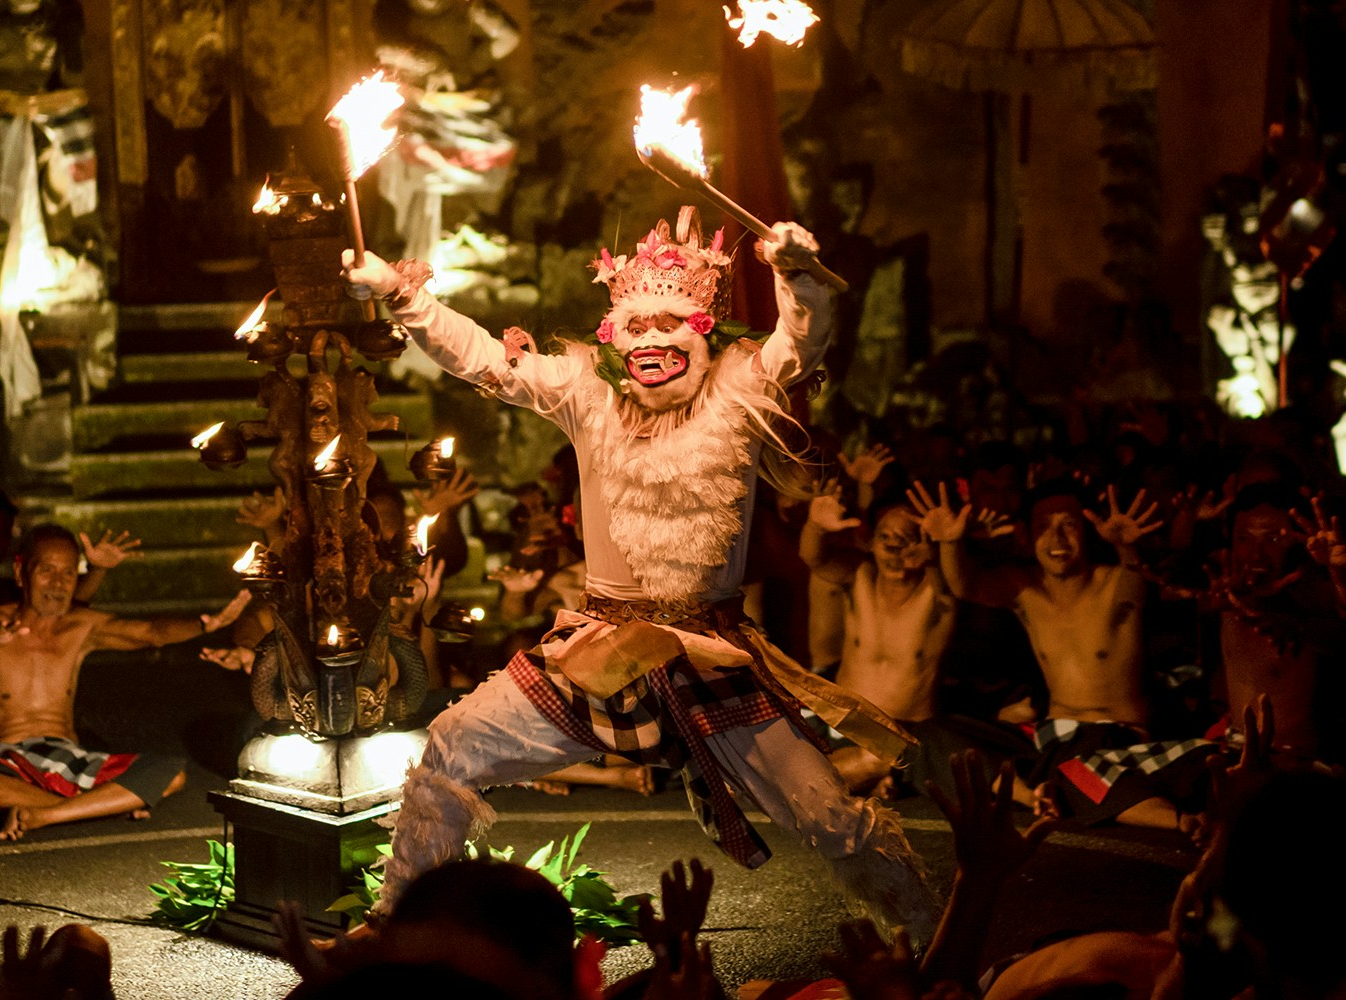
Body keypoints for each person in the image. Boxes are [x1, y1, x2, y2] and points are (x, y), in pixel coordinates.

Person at [344, 209, 935, 939]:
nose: (653, 338)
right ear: (613, 337)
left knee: (829, 816)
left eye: (670, 321)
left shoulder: (743, 387)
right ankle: (399, 932)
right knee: (452, 744)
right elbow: (484, 360)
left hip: (711, 656)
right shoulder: (583, 391)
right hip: (602, 650)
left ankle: (933, 946)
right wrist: (404, 300)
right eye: (638, 325)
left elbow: (802, 340)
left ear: (703, 332)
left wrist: (798, 277)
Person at [915, 479, 1217, 831]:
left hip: (1107, 737)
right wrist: (950, 542)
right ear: (1027, 535)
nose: (1057, 539)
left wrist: (1128, 549)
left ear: (1089, 531)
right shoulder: (1024, 587)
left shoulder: (1114, 582)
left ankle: (1181, 822)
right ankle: (1034, 795)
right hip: (1047, 737)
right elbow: (966, 585)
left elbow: (1137, 589)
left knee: (1081, 769)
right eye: (1044, 526)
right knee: (930, 735)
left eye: (1068, 524)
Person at [0, 524, 248, 840]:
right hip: (2, 763)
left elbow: (152, 632)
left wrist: (205, 625)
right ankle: (98, 808)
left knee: (170, 773)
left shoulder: (82, 626)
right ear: (20, 572)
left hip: (67, 760)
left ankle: (44, 814)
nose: (58, 582)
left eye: (69, 573)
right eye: (47, 571)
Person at [801, 489, 957, 795]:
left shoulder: (937, 594)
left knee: (869, 761)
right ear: (872, 542)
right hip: (840, 723)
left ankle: (855, 779)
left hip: (899, 732)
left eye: (907, 539)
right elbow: (814, 559)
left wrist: (941, 554)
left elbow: (953, 585)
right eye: (886, 538)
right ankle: (861, 782)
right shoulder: (859, 577)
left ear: (926, 543)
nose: (895, 548)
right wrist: (815, 526)